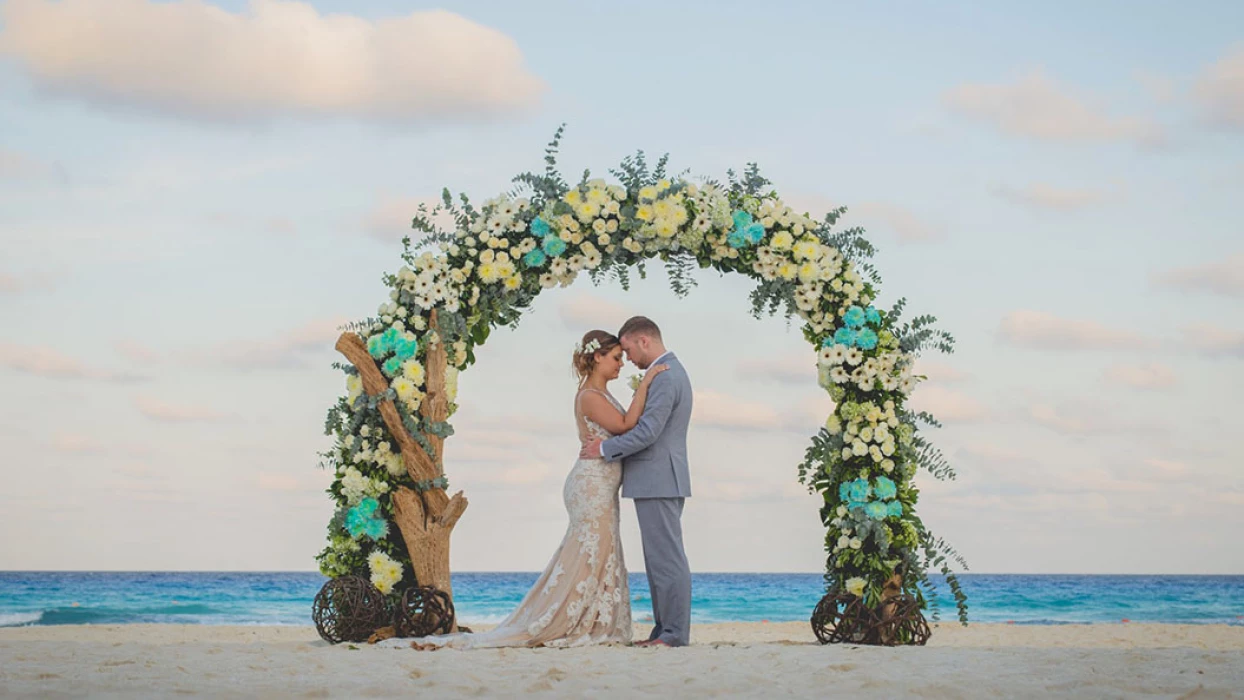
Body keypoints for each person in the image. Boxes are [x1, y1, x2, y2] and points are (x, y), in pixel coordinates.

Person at [409, 329, 667, 649]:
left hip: (602, 486)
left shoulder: (600, 394)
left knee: (600, 554)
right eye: (615, 358)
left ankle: (593, 620)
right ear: (596, 357)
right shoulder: (589, 396)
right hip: (591, 486)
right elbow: (627, 425)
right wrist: (647, 383)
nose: (621, 364)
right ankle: (567, 621)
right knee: (589, 555)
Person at [580, 316, 693, 648]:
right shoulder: (663, 375)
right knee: (658, 560)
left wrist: (604, 448)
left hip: (659, 478)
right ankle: (663, 631)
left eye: (627, 349)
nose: (627, 359)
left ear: (644, 341)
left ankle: (673, 634)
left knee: (667, 559)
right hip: (657, 479)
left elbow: (647, 432)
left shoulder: (667, 377)